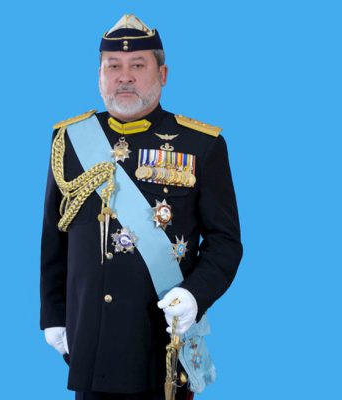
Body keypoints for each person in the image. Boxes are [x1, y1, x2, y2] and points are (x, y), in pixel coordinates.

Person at [40, 14, 243, 400]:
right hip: (90, 342)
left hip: (159, 343)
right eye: (113, 66)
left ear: (162, 74)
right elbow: (54, 235)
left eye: (137, 65)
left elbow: (225, 243)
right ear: (99, 76)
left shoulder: (201, 145)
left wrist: (195, 295)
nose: (124, 77)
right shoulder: (69, 140)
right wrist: (53, 314)